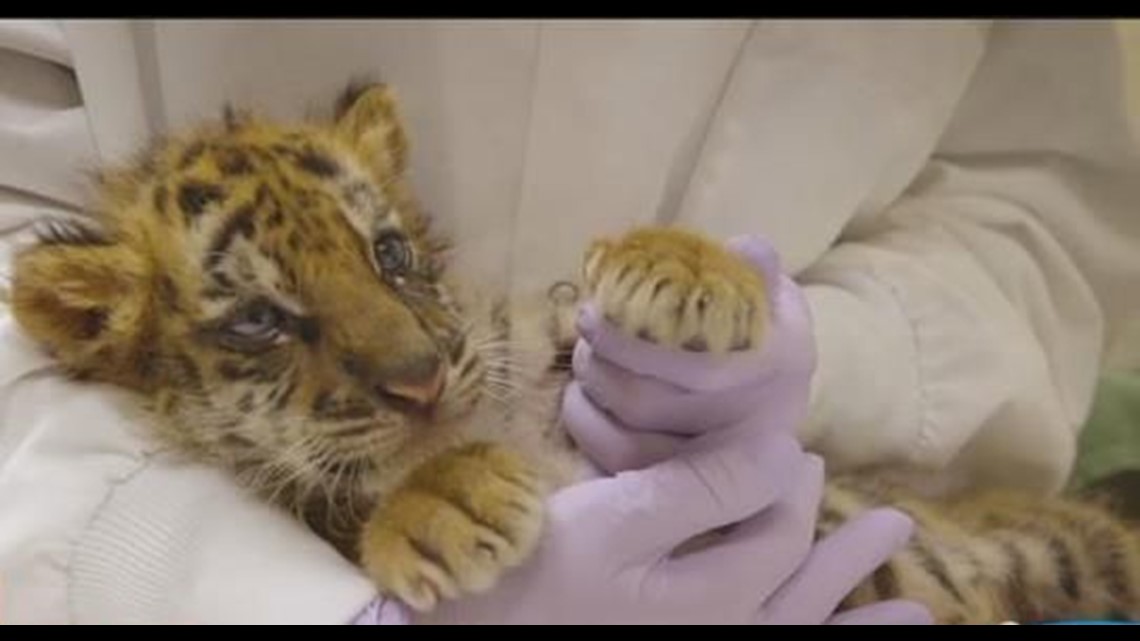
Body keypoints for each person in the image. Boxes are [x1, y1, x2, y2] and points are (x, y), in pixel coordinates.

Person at [0, 18, 1137, 624]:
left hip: (874, 504)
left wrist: (833, 347)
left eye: (391, 254)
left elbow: (1034, 188)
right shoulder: (118, 305)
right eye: (262, 320)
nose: (409, 362)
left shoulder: (481, 342)